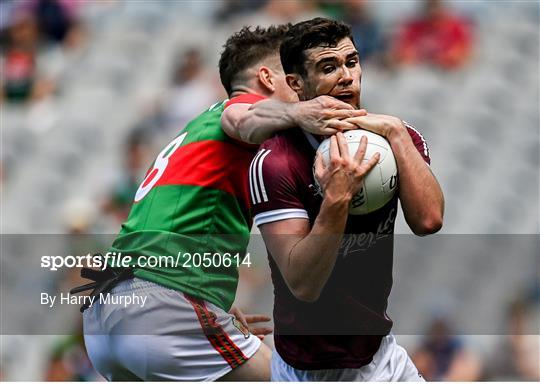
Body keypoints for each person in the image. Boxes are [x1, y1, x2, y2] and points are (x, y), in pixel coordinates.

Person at [80, 24, 364, 381]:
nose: (299, 88)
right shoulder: (241, 110)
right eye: (291, 77)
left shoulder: (197, 130)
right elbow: (242, 118)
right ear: (266, 77)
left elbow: (164, 224)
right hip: (161, 305)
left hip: (107, 313)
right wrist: (296, 114)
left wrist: (217, 302)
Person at [249, 17, 444, 381]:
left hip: (382, 356)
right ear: (296, 84)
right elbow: (303, 284)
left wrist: (397, 133)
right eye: (328, 67)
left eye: (351, 62)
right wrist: (337, 198)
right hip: (310, 370)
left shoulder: (398, 140)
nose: (346, 76)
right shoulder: (276, 162)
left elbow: (429, 221)